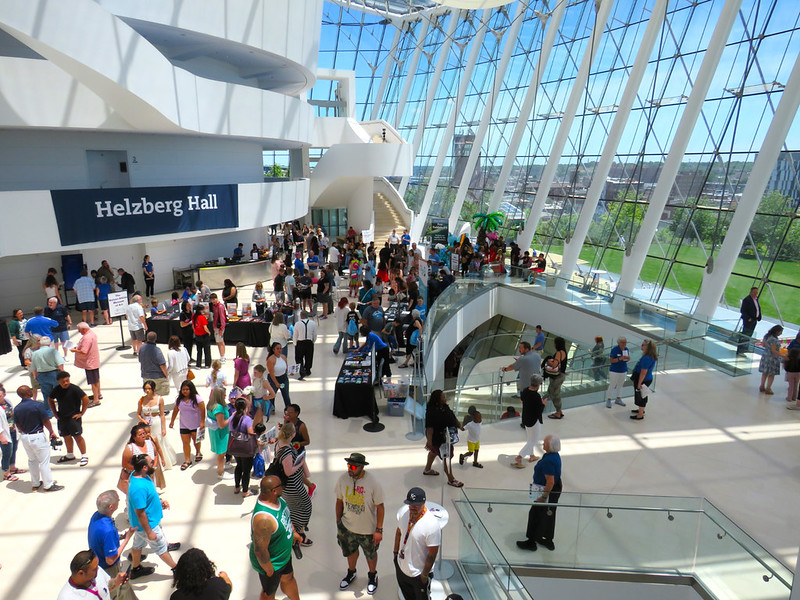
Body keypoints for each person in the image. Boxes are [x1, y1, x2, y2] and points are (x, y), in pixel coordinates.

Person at [335, 452, 384, 595]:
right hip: (347, 527)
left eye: (353, 466)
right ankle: (351, 573)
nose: (349, 468)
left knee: (371, 554)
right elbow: (338, 501)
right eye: (348, 465)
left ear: (362, 467)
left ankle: (372, 575)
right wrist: (338, 522)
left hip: (368, 530)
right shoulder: (343, 479)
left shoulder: (373, 483)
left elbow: (380, 507)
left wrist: (379, 530)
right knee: (350, 551)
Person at [250, 475, 302, 600]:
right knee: (268, 593)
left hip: (283, 556)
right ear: (274, 491)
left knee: (288, 578)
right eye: (281, 485)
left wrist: (293, 531)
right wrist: (269, 571)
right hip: (272, 564)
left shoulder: (277, 500)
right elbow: (260, 550)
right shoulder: (264, 519)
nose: (284, 487)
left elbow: (286, 517)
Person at [128, 454, 179, 579]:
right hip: (148, 525)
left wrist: (159, 501)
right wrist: (149, 532)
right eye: (151, 462)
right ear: (145, 467)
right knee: (161, 548)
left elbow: (148, 497)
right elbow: (140, 513)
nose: (154, 464)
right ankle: (177, 569)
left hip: (141, 525)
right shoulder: (138, 488)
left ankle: (136, 568)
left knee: (137, 545)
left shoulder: (139, 475)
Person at [88, 490, 140, 599]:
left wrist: (118, 537)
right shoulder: (108, 531)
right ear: (111, 507)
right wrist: (127, 538)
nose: (119, 500)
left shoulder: (96, 516)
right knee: (118, 593)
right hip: (109, 569)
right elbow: (110, 560)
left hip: (99, 563)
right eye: (117, 500)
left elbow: (101, 540)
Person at [516, 434, 563, 552]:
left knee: (535, 514)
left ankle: (531, 542)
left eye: (545, 443)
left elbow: (550, 482)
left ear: (550, 446)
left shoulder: (549, 461)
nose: (543, 444)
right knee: (549, 513)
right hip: (554, 488)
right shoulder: (553, 455)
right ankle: (547, 539)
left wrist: (543, 497)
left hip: (547, 490)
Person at [13, 385, 63, 491]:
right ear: (27, 393)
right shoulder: (37, 405)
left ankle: (35, 483)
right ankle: (48, 485)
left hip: (25, 437)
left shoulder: (17, 408)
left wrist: (23, 433)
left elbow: (18, 425)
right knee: (44, 461)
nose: (31, 391)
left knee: (32, 460)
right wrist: (51, 432)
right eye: (29, 390)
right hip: (37, 436)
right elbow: (45, 420)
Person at [393, 487, 440, 600]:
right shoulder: (404, 512)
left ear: (424, 503)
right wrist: (395, 555)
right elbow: (399, 532)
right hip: (401, 568)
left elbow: (432, 554)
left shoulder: (431, 525)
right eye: (410, 504)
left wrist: (424, 575)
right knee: (407, 596)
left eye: (416, 505)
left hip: (418, 574)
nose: (412, 508)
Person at [275, 423, 313, 545]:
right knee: (305, 507)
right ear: (293, 434)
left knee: (295, 508)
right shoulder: (287, 451)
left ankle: (298, 530)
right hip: (293, 486)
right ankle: (298, 533)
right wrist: (300, 463)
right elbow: (288, 471)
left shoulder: (280, 444)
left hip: (290, 485)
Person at [423, 389, 463, 488]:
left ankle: (427, 469)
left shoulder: (444, 406)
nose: (445, 399)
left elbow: (452, 416)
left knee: (433, 452)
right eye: (443, 397)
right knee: (446, 457)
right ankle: (451, 479)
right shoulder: (431, 411)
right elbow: (430, 428)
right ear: (438, 399)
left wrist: (459, 425)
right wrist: (429, 441)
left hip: (447, 436)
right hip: (440, 439)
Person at [48, 371, 89, 466]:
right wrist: (54, 412)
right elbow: (50, 399)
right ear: (58, 382)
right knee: (66, 436)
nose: (66, 383)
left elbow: (85, 399)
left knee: (77, 436)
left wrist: (81, 413)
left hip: (73, 417)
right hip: (62, 417)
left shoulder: (74, 389)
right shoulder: (57, 389)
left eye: (67, 380)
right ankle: (70, 454)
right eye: (63, 381)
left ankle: (84, 455)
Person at [57, 549, 129, 600]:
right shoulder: (66, 597)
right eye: (94, 569)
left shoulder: (96, 572)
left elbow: (107, 586)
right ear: (81, 573)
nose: (98, 568)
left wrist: (116, 581)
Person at [137, 380, 176, 470]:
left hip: (156, 422)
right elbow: (138, 414)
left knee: (160, 441)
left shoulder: (159, 399)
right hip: (146, 424)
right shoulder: (142, 400)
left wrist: (164, 428)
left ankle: (164, 461)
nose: (147, 391)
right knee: (148, 442)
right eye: (145, 389)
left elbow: (162, 415)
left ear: (153, 389)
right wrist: (143, 420)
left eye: (149, 389)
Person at [169, 380, 206, 470]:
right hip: (184, 425)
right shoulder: (179, 400)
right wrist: (172, 421)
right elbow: (175, 410)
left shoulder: (197, 399)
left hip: (195, 424)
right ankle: (187, 460)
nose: (185, 391)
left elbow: (203, 410)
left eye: (187, 389)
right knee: (185, 443)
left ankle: (198, 452)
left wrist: (202, 422)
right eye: (183, 389)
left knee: (196, 440)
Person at [512, 374, 545, 467]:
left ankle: (532, 456)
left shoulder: (526, 390)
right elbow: (539, 411)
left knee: (530, 438)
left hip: (525, 418)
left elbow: (522, 400)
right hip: (534, 421)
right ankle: (519, 458)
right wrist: (543, 404)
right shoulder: (536, 396)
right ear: (538, 384)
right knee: (533, 441)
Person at [228, 397, 256, 496]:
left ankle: (236, 487)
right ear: (245, 407)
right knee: (246, 470)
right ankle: (245, 491)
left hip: (235, 446)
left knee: (239, 466)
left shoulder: (231, 418)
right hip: (245, 448)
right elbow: (250, 433)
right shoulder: (247, 419)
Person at [72, 322, 102, 405]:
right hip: (94, 360)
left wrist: (74, 350)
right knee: (96, 379)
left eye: (80, 330)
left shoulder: (87, 338)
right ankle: (98, 394)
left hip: (90, 363)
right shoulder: (92, 334)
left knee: (93, 382)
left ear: (84, 329)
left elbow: (84, 351)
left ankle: (96, 400)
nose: (79, 332)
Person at [31, 335, 65, 405]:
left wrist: (35, 376)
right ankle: (62, 409)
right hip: (54, 374)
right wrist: (63, 374)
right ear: (49, 343)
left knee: (46, 395)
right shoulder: (53, 351)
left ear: (40, 343)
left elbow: (33, 367)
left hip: (41, 375)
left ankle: (49, 412)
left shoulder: (35, 353)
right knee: (60, 393)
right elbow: (60, 364)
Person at [206, 387, 231, 479]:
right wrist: (231, 418)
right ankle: (221, 472)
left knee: (222, 453)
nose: (225, 396)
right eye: (223, 395)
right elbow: (221, 424)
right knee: (221, 454)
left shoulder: (211, 404)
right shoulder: (219, 408)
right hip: (220, 433)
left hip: (215, 432)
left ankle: (222, 466)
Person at [631, 339, 659, 420]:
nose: (641, 346)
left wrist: (639, 383)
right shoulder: (649, 356)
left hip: (643, 379)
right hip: (646, 378)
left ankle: (640, 414)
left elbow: (643, 372)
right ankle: (641, 410)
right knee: (642, 395)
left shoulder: (646, 358)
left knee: (641, 396)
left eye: (643, 345)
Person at [139, 332, 170, 396]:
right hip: (157, 377)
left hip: (146, 376)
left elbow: (140, 360)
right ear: (155, 339)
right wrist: (166, 375)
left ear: (147, 338)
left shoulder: (141, 348)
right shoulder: (157, 350)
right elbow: (162, 364)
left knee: (149, 395)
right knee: (158, 396)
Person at [545, 337, 568, 420]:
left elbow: (554, 365)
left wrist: (548, 361)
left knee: (554, 393)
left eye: (554, 342)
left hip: (557, 377)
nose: (553, 344)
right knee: (554, 392)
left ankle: (558, 412)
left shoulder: (559, 353)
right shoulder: (564, 351)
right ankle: (559, 411)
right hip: (561, 375)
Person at [758, 325, 784, 396]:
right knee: (771, 374)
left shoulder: (766, 336)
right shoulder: (774, 339)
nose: (781, 333)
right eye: (780, 331)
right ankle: (768, 388)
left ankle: (762, 386)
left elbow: (763, 345)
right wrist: (782, 355)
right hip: (772, 358)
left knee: (765, 373)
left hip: (765, 356)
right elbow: (774, 350)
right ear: (777, 331)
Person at [606, 336, 630, 408]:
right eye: (623, 342)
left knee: (620, 385)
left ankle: (618, 398)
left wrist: (628, 358)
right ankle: (609, 399)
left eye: (625, 342)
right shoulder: (614, 349)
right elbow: (611, 360)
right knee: (612, 385)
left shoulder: (626, 349)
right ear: (619, 343)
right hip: (614, 371)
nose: (624, 344)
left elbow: (627, 359)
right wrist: (620, 358)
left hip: (623, 370)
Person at [293, 310, 317, 380]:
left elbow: (295, 335)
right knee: (309, 357)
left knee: (299, 358)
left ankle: (301, 370)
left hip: (300, 342)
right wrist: (313, 341)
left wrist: (295, 343)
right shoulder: (313, 323)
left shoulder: (297, 324)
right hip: (309, 342)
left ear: (301, 316)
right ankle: (308, 370)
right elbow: (314, 334)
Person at [267, 342, 291, 408]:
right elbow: (271, 373)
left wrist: (290, 372)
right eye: (277, 349)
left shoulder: (283, 357)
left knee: (286, 394)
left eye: (280, 348)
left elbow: (286, 368)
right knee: (272, 394)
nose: (279, 350)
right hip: (274, 379)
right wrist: (276, 383)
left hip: (283, 378)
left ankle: (288, 409)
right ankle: (271, 408)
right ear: (273, 350)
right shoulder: (271, 360)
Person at [739, 286, 761, 354]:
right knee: (745, 335)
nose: (755, 294)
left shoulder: (756, 299)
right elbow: (743, 310)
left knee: (749, 335)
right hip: (749, 321)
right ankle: (740, 350)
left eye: (756, 293)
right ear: (751, 292)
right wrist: (748, 319)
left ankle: (745, 349)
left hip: (754, 320)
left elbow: (757, 309)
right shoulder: (747, 300)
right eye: (754, 292)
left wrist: (759, 317)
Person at [192, 304, 212, 369]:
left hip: (197, 335)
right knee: (207, 350)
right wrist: (209, 332)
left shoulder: (193, 316)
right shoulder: (202, 317)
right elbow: (205, 327)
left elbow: (193, 326)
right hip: (204, 335)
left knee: (199, 351)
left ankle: (198, 365)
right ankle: (207, 364)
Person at [210, 294, 227, 362]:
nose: (213, 301)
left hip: (219, 327)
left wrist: (221, 328)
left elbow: (222, 318)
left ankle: (222, 357)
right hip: (215, 326)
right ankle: (221, 355)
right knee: (218, 342)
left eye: (214, 299)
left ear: (216, 298)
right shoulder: (214, 306)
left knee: (220, 342)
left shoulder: (220, 306)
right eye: (212, 300)